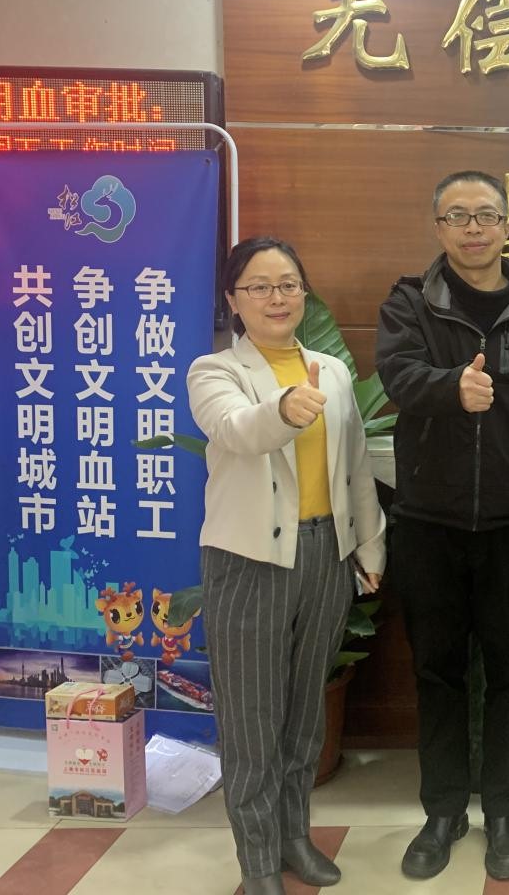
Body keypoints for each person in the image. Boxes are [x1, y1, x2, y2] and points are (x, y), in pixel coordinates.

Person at [375, 170, 509, 882]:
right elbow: (398, 376)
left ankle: (502, 812)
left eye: (485, 215)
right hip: (427, 525)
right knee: (438, 673)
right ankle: (442, 811)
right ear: (439, 227)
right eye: (457, 216)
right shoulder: (409, 303)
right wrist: (450, 388)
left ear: (505, 227)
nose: (472, 228)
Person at [188, 236, 386, 895]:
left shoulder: (330, 371)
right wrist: (282, 409)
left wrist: (369, 548)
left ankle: (296, 835)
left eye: (289, 284)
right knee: (251, 720)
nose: (277, 298)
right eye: (260, 286)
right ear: (233, 299)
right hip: (248, 563)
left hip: (325, 555)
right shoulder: (214, 371)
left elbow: (355, 467)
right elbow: (237, 430)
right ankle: (257, 859)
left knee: (305, 712)